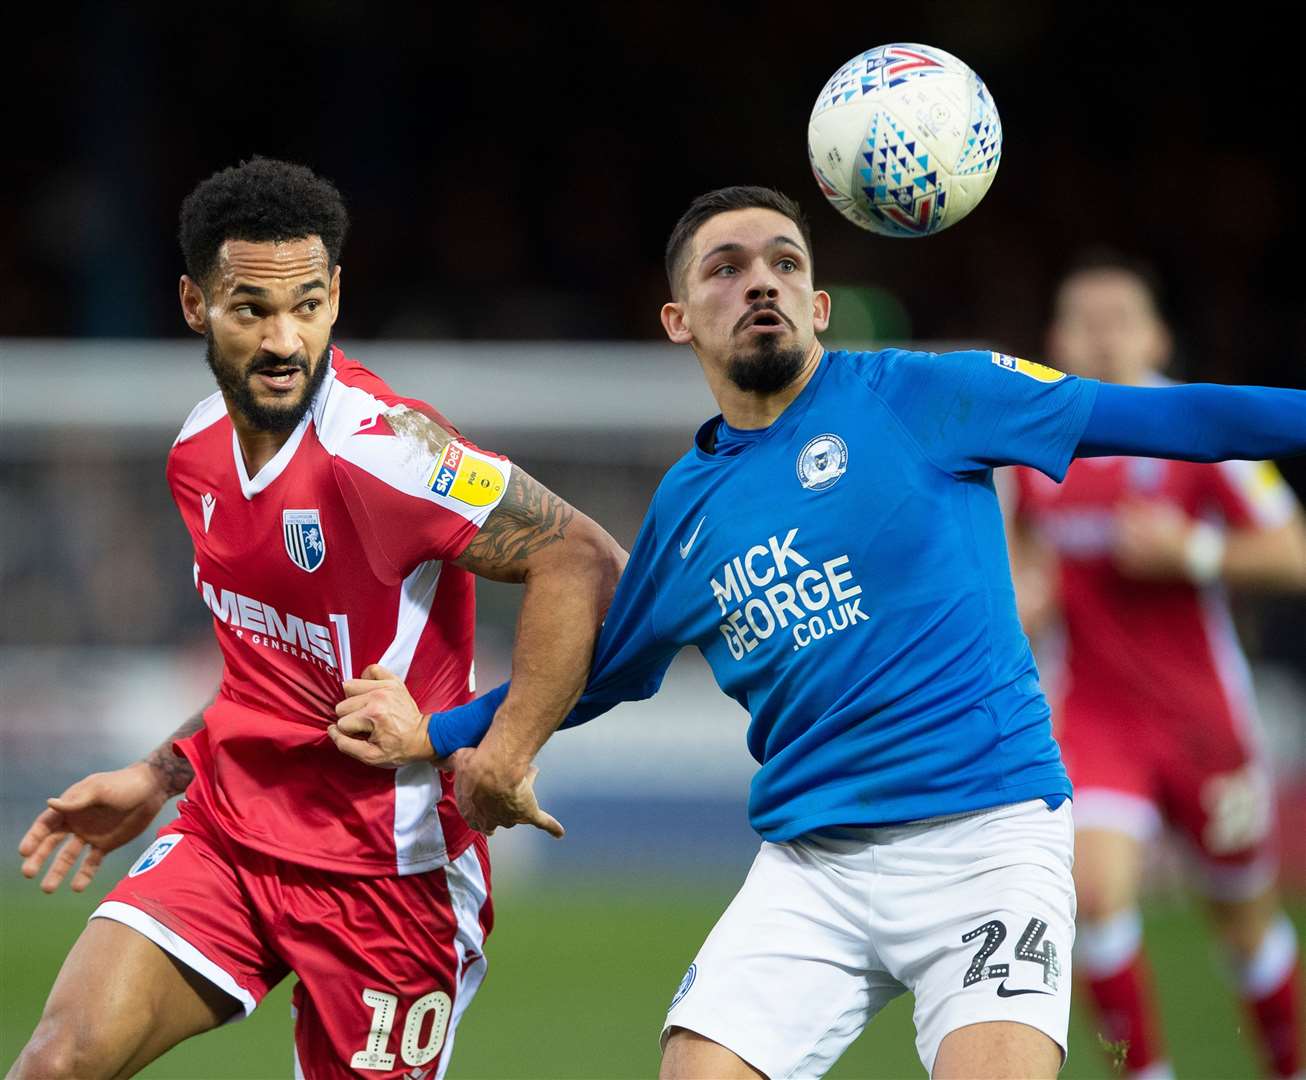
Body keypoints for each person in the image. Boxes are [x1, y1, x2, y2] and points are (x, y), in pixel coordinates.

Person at [331, 186, 1306, 1080]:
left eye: (784, 263)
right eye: (726, 267)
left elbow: (1177, 417)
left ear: (820, 304)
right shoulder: (687, 511)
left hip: (987, 843)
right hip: (812, 870)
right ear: (677, 320)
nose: (760, 280)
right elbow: (597, 675)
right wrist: (438, 733)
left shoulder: (928, 398)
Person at [11, 157, 623, 1079]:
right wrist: (158, 772)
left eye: (306, 304)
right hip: (228, 836)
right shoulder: (197, 454)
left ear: (337, 295)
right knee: (55, 1064)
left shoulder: (386, 450)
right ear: (193, 304)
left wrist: (503, 748)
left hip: (391, 877)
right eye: (250, 309)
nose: (283, 339)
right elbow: (265, 672)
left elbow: (582, 559)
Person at [1005, 255, 1305, 1079]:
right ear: (1056, 339)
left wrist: (1194, 550)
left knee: (1246, 926)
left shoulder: (1203, 433)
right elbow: (1022, 574)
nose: (1102, 336)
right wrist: (1024, 602)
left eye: (1120, 318)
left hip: (1205, 720)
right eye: (1083, 320)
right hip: (1099, 718)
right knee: (1093, 901)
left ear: (1157, 334)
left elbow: (1295, 552)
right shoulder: (1035, 455)